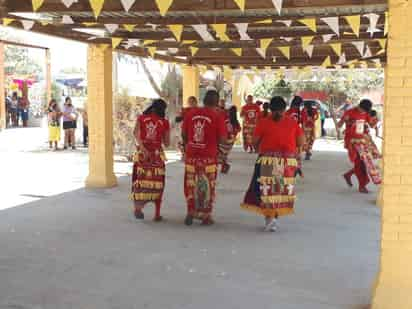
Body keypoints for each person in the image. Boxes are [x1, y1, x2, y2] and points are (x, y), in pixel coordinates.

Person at [241, 96, 304, 232]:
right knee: (277, 189)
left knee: (269, 190)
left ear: (270, 109)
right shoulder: (292, 122)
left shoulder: (263, 122)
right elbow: (300, 142)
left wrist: (262, 148)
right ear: (284, 109)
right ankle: (272, 217)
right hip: (286, 161)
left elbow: (254, 142)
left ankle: (271, 218)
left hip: (270, 160)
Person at [182, 90, 227, 226]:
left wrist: (189, 145)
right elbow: (223, 139)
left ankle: (190, 211)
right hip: (209, 157)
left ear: (203, 100)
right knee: (207, 185)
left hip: (191, 156)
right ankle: (205, 216)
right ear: (217, 102)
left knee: (191, 184)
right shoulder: (217, 116)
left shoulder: (191, 113)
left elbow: (184, 134)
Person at [131, 99, 170, 221]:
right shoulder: (164, 122)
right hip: (156, 156)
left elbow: (135, 133)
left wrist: (143, 149)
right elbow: (167, 143)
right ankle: (157, 214)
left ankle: (138, 208)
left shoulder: (142, 118)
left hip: (142, 156)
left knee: (140, 181)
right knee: (158, 183)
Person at [338, 99, 381, 193]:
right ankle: (362, 185)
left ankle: (349, 175)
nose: (363, 112)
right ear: (359, 106)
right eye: (362, 110)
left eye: (365, 111)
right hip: (352, 141)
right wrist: (344, 121)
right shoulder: (350, 112)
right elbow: (339, 125)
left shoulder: (366, 113)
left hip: (362, 141)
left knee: (364, 162)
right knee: (360, 163)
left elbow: (371, 125)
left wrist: (376, 120)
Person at [218, 105, 241, 174]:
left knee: (219, 154)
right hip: (231, 141)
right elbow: (239, 129)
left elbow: (224, 130)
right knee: (224, 154)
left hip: (224, 140)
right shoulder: (235, 121)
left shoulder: (227, 121)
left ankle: (224, 166)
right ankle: (224, 166)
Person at [286, 96, 304, 177]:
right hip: (297, 135)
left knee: (290, 153)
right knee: (297, 152)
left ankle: (292, 169)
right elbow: (302, 124)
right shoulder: (299, 112)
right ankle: (297, 167)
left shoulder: (288, 112)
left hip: (289, 135)